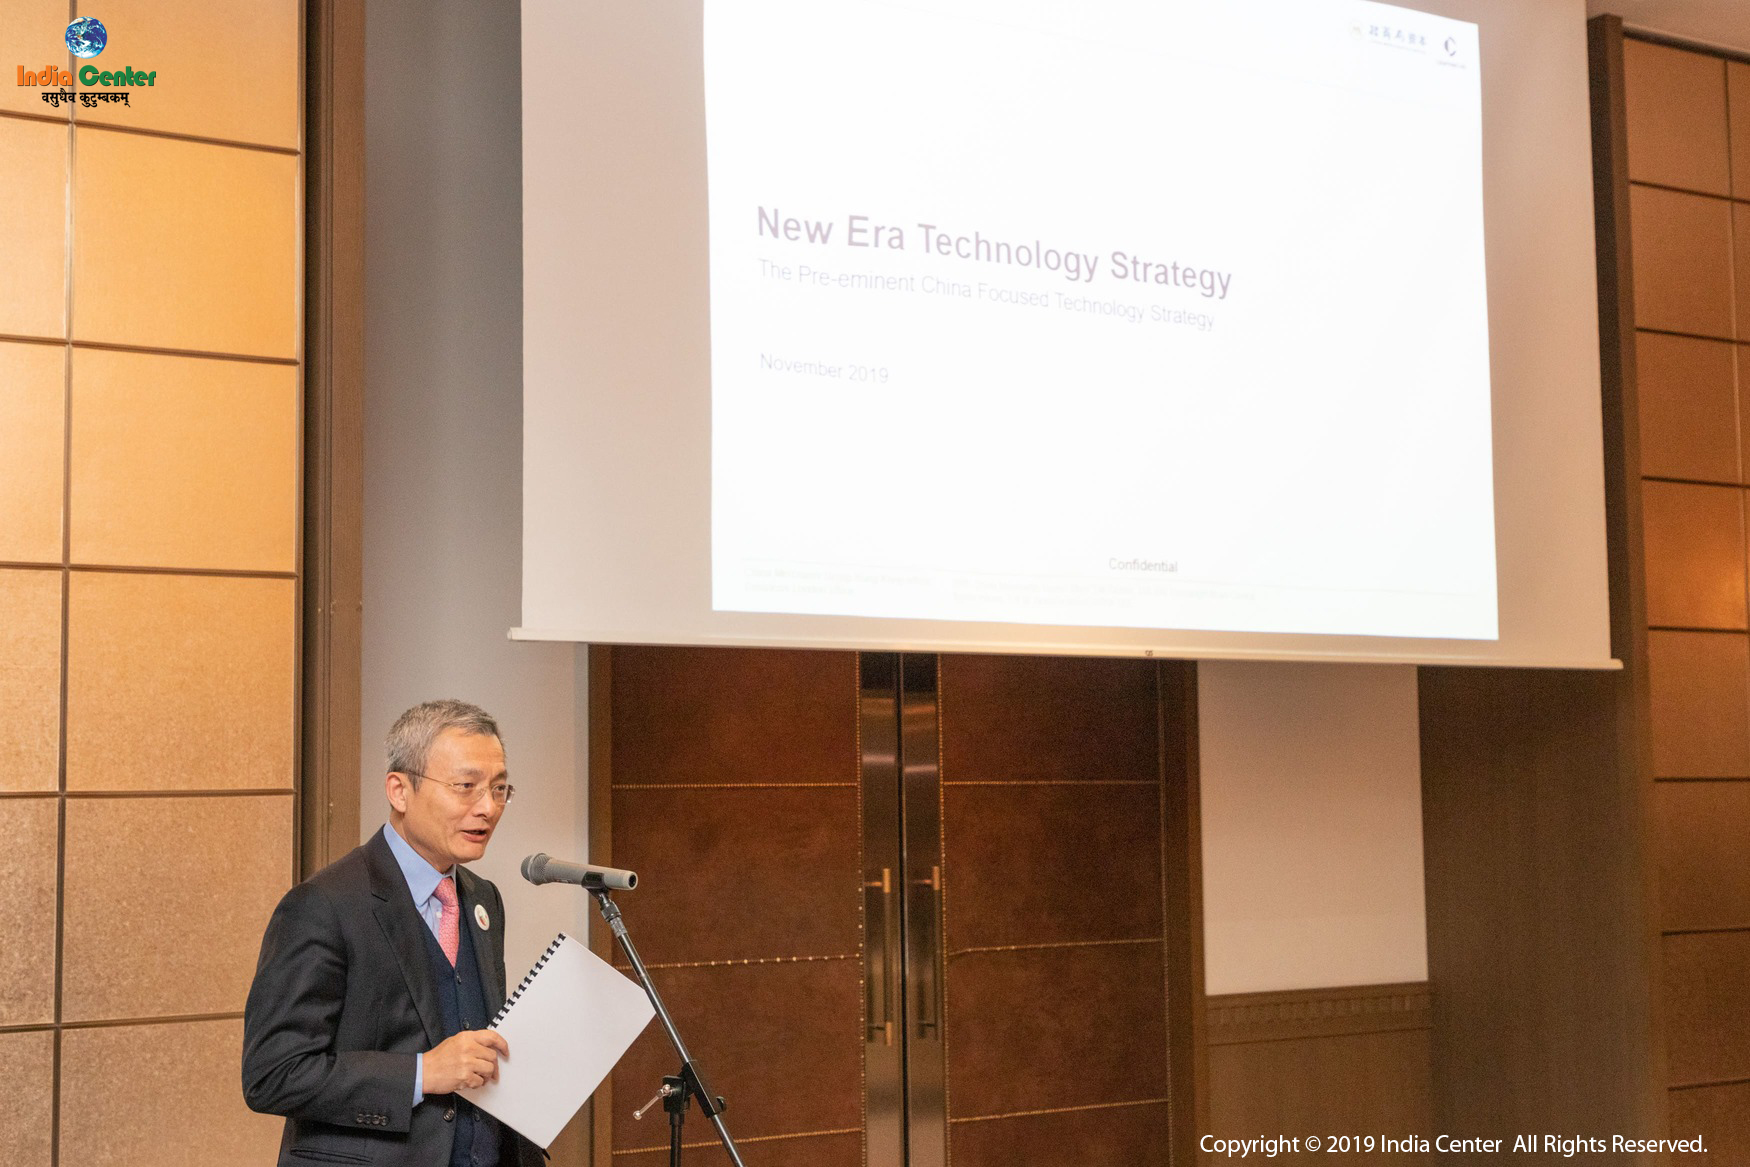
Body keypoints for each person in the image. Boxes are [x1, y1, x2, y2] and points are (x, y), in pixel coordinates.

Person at [243, 700, 544, 1167]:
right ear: (399, 791)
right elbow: (273, 1074)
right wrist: (423, 1073)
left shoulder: (483, 898)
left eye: (499, 789)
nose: (488, 808)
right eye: (466, 787)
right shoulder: (323, 906)